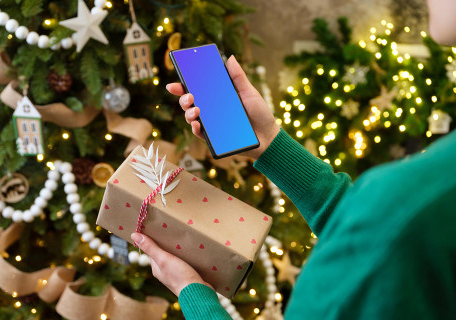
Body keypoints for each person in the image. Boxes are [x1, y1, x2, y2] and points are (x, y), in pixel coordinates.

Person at [131, 1, 456, 318]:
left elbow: (380, 223)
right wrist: (270, 142)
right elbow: (357, 219)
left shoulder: (404, 208)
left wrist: (192, 292)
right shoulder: (405, 205)